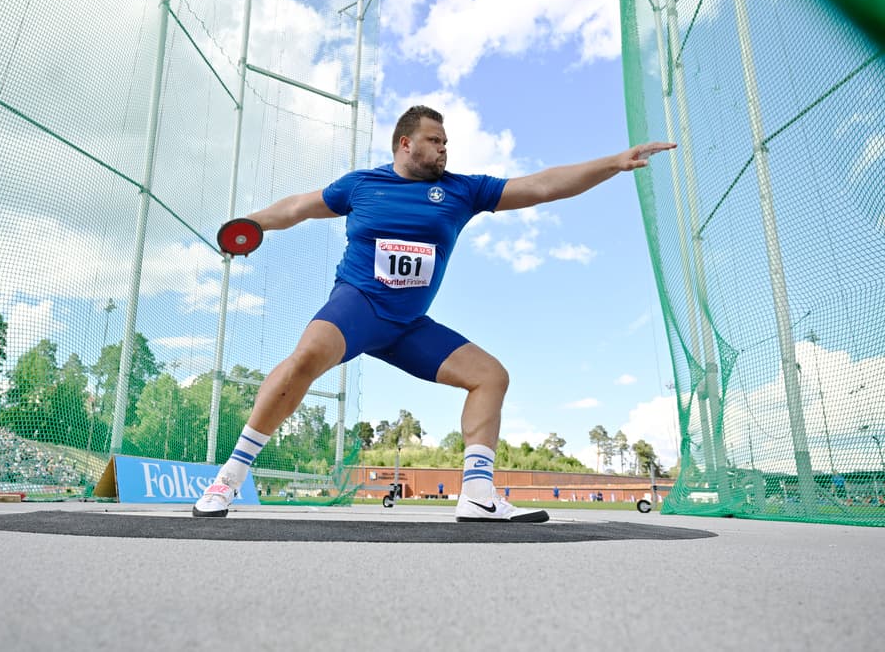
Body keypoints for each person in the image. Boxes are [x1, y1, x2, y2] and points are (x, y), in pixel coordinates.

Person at [194, 105, 674, 521]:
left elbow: (543, 186)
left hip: (407, 327)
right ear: (405, 144)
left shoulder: (464, 191)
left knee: (490, 376)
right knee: (306, 358)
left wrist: (613, 162)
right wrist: (252, 223)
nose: (444, 149)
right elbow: (299, 206)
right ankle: (228, 479)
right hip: (357, 306)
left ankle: (478, 495)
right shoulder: (361, 185)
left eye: (446, 141)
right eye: (435, 140)